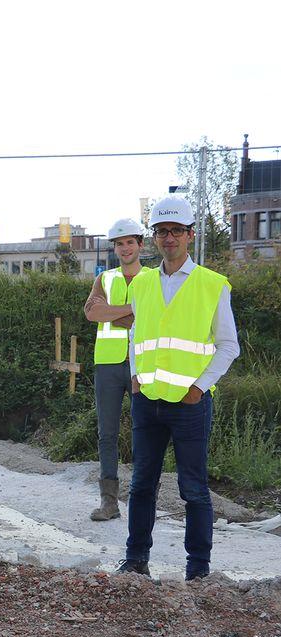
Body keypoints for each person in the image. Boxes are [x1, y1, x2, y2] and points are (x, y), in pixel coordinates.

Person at [119, 195, 239, 580]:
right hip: (148, 401)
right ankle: (136, 560)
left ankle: (198, 571)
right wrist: (135, 376)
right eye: (161, 231)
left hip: (189, 404)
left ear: (189, 235)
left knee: (193, 489)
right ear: (154, 238)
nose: (168, 238)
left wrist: (200, 388)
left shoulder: (212, 285)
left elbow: (228, 345)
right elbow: (137, 334)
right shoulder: (142, 284)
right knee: (141, 485)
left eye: (175, 231)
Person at [83, 218, 152, 520]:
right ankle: (109, 502)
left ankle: (142, 499)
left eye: (129, 242)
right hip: (108, 364)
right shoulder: (106, 279)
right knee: (106, 434)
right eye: (119, 243)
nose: (124, 248)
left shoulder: (154, 278)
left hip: (143, 363)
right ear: (115, 248)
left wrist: (111, 314)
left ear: (140, 245)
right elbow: (92, 312)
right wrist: (133, 311)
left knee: (145, 432)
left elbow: (153, 318)